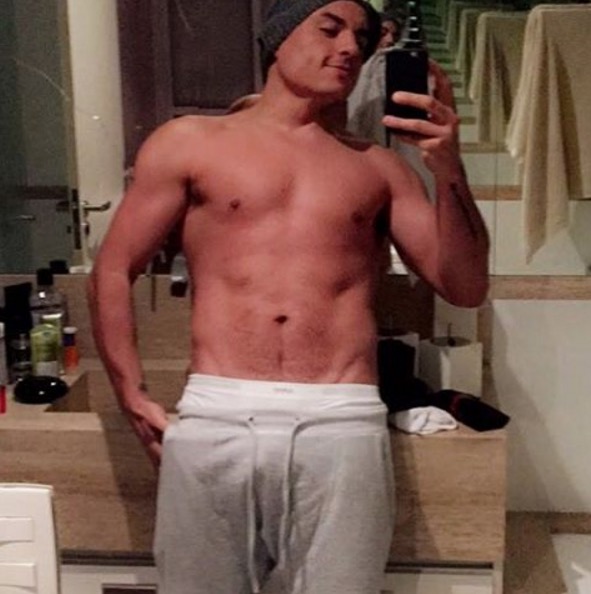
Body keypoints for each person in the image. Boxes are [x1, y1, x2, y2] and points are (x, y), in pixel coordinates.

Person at [88, 0, 489, 592]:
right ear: (277, 40)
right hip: (219, 411)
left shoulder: (380, 168)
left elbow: (466, 286)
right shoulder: (191, 142)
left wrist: (450, 171)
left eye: (361, 38)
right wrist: (130, 392)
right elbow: (113, 268)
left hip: (341, 419)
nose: (350, 47)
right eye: (329, 29)